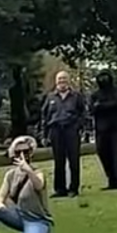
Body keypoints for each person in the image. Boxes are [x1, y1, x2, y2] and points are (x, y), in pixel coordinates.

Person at [39, 70, 85, 198]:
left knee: (73, 160)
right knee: (59, 161)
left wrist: (79, 127)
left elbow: (83, 113)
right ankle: (60, 189)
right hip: (56, 131)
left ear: (68, 81)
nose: (62, 82)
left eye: (64, 79)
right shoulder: (50, 97)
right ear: (56, 82)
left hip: (71, 130)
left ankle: (73, 188)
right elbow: (44, 116)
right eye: (60, 79)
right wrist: (44, 135)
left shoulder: (76, 96)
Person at [90, 70, 117, 190]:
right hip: (101, 129)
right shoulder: (95, 95)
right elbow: (92, 109)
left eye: (105, 77)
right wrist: (104, 106)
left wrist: (101, 106)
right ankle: (112, 180)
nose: (103, 80)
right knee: (103, 154)